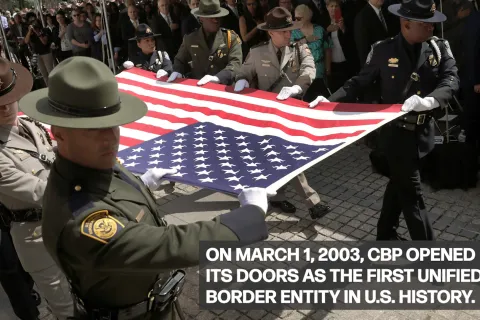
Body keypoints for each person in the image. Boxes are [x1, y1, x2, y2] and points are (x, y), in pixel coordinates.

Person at [19, 56, 271, 319]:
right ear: (58, 132)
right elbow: (167, 245)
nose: (110, 139)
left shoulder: (91, 163)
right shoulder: (79, 218)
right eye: (92, 130)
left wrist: (143, 183)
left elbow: (113, 195)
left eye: (112, 124)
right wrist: (249, 215)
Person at [309, 0, 460, 240]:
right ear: (406, 23)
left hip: (423, 133)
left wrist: (429, 101)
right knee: (413, 195)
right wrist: (329, 101)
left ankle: (385, 234)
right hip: (396, 135)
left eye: (433, 24)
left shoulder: (439, 48)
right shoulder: (383, 49)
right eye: (426, 24)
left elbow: (450, 81)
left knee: (398, 184)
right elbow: (359, 82)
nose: (432, 28)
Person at [233, 7, 331, 220]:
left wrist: (297, 88)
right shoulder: (258, 52)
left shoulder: (299, 48)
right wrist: (241, 81)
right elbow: (244, 72)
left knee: (282, 157)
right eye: (284, 31)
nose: (289, 34)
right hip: (266, 117)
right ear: (271, 33)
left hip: (289, 115)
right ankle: (311, 201)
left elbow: (309, 69)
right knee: (285, 157)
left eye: (290, 30)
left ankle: (276, 197)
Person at [0, 58, 74, 318]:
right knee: (65, 308)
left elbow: (55, 157)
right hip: (37, 239)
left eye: (10, 97)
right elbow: (40, 191)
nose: (7, 107)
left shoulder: (31, 125)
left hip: (67, 225)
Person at [167, 0, 243, 86]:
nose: (216, 20)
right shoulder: (190, 39)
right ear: (201, 18)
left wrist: (218, 78)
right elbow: (180, 60)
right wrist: (178, 71)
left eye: (218, 16)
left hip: (223, 89)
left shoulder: (230, 38)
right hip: (199, 89)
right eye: (211, 17)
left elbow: (235, 63)